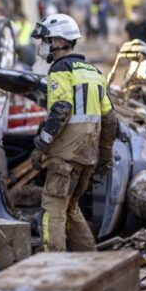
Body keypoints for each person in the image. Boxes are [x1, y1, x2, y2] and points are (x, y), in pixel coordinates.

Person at [29, 14, 118, 252]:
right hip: (87, 158)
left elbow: (61, 109)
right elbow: (110, 118)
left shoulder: (60, 68)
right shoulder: (94, 72)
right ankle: (91, 261)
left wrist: (41, 145)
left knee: (53, 209)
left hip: (65, 157)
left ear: (59, 41)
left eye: (46, 40)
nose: (43, 45)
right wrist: (105, 154)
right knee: (70, 208)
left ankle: (53, 266)